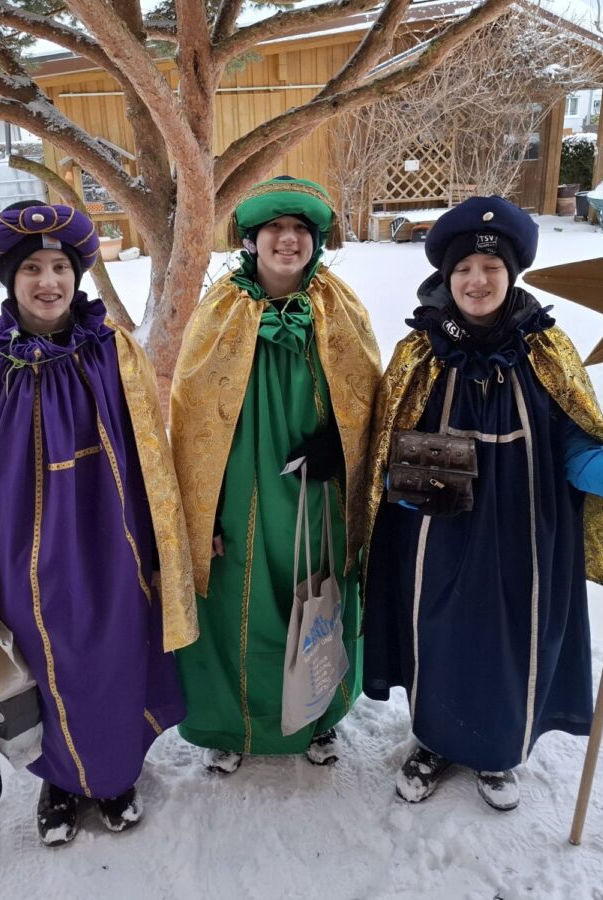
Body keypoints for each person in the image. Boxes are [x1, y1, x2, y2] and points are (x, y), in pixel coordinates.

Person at [362, 196, 603, 810]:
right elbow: (386, 446)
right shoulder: (419, 355)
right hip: (436, 536)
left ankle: (498, 752)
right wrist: (390, 523)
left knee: (514, 641)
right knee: (438, 637)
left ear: (511, 274)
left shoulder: (546, 353)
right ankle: (432, 741)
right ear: (447, 279)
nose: (478, 281)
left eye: (491, 268)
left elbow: (577, 447)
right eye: (464, 270)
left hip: (528, 537)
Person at [0, 200, 198, 845]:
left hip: (114, 537)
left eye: (60, 267)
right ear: (9, 280)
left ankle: (114, 777)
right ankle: (58, 779)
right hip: (21, 549)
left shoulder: (111, 349)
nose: (48, 282)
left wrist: (162, 544)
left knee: (111, 657)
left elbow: (150, 455)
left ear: (77, 275)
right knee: (44, 666)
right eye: (33, 270)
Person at [169, 176, 381, 773]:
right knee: (242, 602)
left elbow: (369, 397)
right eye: (275, 231)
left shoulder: (340, 306)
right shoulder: (218, 310)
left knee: (316, 594)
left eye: (300, 232)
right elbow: (190, 418)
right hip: (237, 488)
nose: (288, 241)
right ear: (253, 240)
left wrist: (343, 452)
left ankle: (316, 718)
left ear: (315, 241)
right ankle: (235, 725)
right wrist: (200, 512)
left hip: (317, 489)